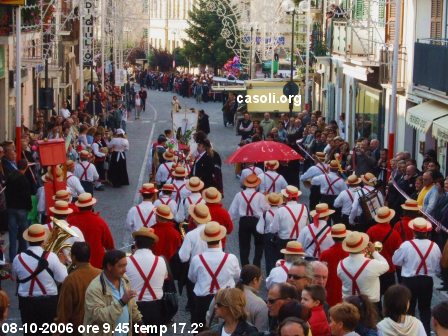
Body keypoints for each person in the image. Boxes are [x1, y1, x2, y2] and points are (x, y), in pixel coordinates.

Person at [12, 224, 68, 335]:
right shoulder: (51, 257)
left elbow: (14, 277)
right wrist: (62, 264)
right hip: (48, 302)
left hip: (26, 302)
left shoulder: (18, 258)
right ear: (43, 240)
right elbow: (63, 278)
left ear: (28, 240)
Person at [392, 217, 441, 335]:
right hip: (427, 280)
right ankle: (425, 332)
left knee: (409, 308)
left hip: (409, 281)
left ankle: (410, 332)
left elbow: (396, 261)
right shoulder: (434, 246)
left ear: (413, 231)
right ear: (427, 232)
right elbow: (437, 268)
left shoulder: (406, 245)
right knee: (425, 308)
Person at [188, 222, 240, 327]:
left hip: (202, 300)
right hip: (226, 300)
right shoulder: (231, 258)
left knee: (200, 330)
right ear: (220, 238)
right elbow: (237, 276)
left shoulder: (197, 259)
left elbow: (192, 278)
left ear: (205, 240)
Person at [84, 250, 142, 336]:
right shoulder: (95, 288)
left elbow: (132, 305)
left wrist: (139, 322)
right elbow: (98, 317)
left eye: (125, 265)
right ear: (109, 266)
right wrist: (121, 302)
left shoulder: (124, 280)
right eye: (121, 266)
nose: (125, 270)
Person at [126, 227, 170, 326]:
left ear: (135, 243)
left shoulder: (126, 262)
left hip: (133, 307)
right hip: (155, 307)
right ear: (152, 245)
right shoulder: (161, 261)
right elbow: (165, 278)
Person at [56, 242, 101, 334]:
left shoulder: (70, 279)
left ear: (73, 257)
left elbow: (64, 311)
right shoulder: (101, 275)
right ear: (89, 256)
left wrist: (57, 332)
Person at [337, 231, 389, 305]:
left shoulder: (340, 264)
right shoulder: (372, 264)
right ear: (363, 247)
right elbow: (386, 265)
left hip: (348, 303)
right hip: (370, 304)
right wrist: (374, 252)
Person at [229, 174, 269, 266]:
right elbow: (267, 209)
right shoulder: (260, 196)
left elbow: (232, 211)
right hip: (257, 221)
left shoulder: (239, 195)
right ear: (256, 185)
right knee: (259, 244)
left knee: (244, 246)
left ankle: (245, 267)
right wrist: (266, 198)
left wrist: (229, 221)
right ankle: (256, 265)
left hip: (244, 221)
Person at [69, 193, 115, 268]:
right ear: (92, 205)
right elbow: (109, 245)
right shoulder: (100, 221)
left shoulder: (70, 220)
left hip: (77, 263)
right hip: (97, 262)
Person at [366, 207, 402, 297]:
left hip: (374, 269)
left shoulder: (370, 231)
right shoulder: (395, 234)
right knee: (390, 298)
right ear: (389, 219)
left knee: (375, 297)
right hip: (389, 270)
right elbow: (398, 252)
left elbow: (366, 250)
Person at [5, 159, 32, 261]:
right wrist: (29, 207)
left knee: (12, 233)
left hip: (11, 208)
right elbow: (27, 196)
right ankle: (22, 255)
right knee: (23, 233)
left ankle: (12, 257)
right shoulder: (24, 180)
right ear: (26, 167)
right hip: (21, 209)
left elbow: (7, 193)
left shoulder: (10, 177)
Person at [270, 186, 308, 253]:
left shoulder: (281, 210)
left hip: (284, 242)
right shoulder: (304, 207)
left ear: (285, 197)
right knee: (299, 262)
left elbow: (273, 229)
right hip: (301, 240)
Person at [320, 224, 349, 307]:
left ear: (332, 238)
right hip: (346, 293)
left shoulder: (325, 254)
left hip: (330, 292)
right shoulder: (350, 253)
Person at [256, 192, 283, 273]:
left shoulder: (265, 213)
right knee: (279, 257)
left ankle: (270, 276)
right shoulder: (282, 211)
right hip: (280, 236)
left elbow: (259, 229)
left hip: (268, 237)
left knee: (269, 259)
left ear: (269, 203)